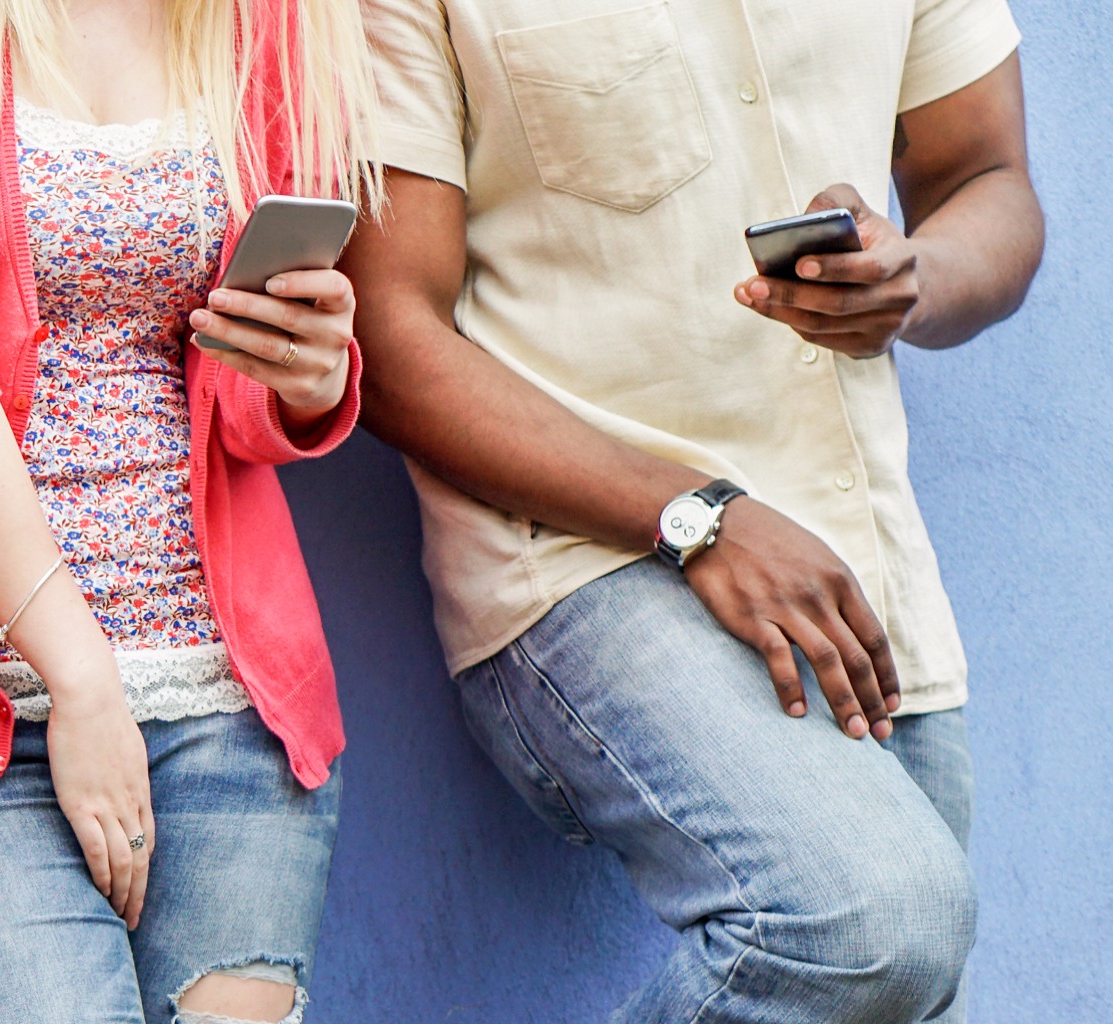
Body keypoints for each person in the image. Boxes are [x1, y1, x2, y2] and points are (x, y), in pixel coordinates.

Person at [346, 0, 1038, 1018]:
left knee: (904, 967)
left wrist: (913, 279)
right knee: (867, 924)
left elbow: (984, 177)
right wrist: (696, 515)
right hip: (582, 556)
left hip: (859, 568)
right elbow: (389, 340)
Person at [0, 0, 373, 1021]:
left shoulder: (274, 19)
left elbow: (236, 393)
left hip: (230, 706)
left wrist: (309, 375)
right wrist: (79, 674)